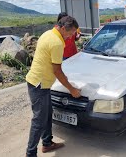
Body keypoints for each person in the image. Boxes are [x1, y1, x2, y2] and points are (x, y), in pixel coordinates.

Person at [25, 16, 81, 157]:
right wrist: (72, 89)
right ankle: (30, 153)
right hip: (39, 85)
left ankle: (47, 143)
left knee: (47, 114)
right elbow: (57, 70)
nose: (71, 37)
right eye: (70, 33)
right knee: (39, 120)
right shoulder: (56, 42)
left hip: (39, 82)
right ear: (62, 28)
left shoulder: (48, 33)